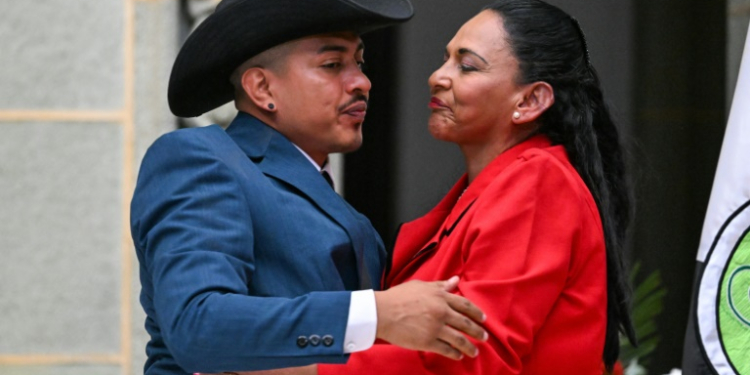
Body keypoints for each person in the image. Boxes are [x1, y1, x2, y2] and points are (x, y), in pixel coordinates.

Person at [129, 1, 489, 374]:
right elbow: (197, 325)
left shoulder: (338, 208)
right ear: (262, 87)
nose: (361, 82)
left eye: (359, 63)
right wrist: (377, 312)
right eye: (333, 65)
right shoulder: (201, 158)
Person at [317, 0, 638, 373]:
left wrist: (301, 371)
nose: (437, 76)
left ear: (530, 100)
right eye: (446, 58)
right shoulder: (495, 187)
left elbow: (476, 355)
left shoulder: (538, 182)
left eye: (467, 66)